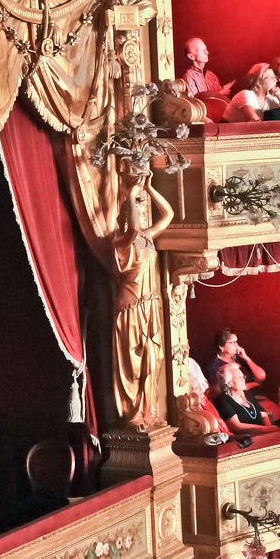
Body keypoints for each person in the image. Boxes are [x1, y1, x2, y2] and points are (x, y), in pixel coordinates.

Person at [111, 170, 174, 428]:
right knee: (132, 364)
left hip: (150, 306)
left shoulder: (148, 238)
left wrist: (149, 189)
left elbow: (168, 214)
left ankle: (149, 410)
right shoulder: (120, 241)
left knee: (153, 361)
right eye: (134, 209)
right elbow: (133, 228)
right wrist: (131, 196)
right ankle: (133, 413)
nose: (138, 211)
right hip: (130, 310)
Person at [213, 364, 277, 435]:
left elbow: (264, 415)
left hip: (265, 434)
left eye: (243, 376)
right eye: (239, 378)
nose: (243, 379)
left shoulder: (247, 394)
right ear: (228, 383)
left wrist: (271, 431)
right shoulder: (222, 400)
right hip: (247, 438)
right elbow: (236, 426)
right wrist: (266, 430)